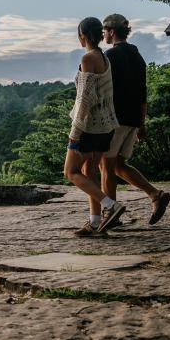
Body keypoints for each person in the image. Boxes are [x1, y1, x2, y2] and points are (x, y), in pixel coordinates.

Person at [98, 13, 170, 229]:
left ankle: (110, 214)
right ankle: (155, 194)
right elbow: (143, 93)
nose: (103, 35)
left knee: (107, 167)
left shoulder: (110, 56)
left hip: (115, 119)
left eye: (104, 31)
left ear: (111, 31)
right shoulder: (137, 57)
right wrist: (142, 124)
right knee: (119, 165)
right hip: (132, 119)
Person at [66, 16, 124, 236]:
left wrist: (75, 132)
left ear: (82, 35)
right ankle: (94, 222)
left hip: (90, 127)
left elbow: (84, 99)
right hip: (107, 126)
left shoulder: (88, 58)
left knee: (71, 172)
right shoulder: (104, 57)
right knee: (89, 171)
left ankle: (112, 206)